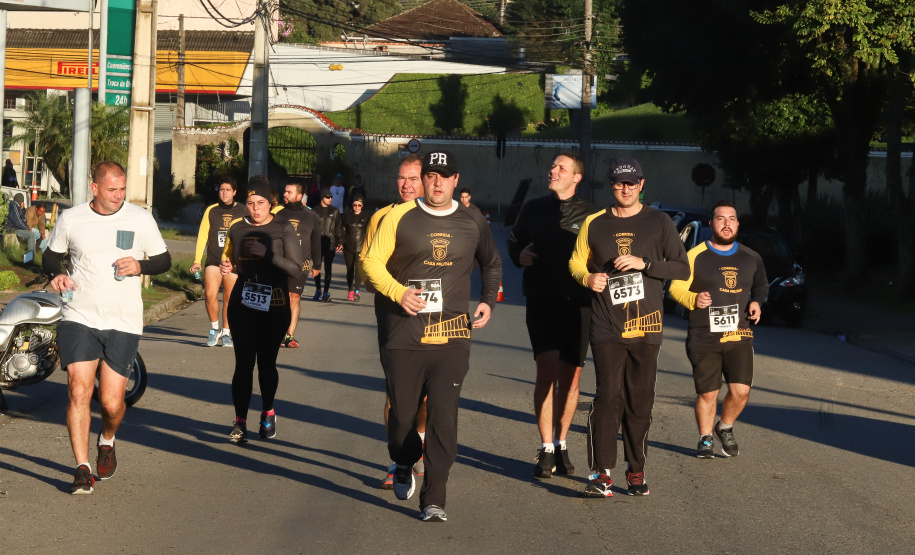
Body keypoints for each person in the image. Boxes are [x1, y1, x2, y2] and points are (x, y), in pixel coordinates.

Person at [362, 150, 502, 522]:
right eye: (431, 175)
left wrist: (487, 300)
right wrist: (399, 292)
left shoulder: (472, 219)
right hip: (405, 333)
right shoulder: (399, 217)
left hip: (453, 334)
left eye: (445, 176)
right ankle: (404, 459)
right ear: (422, 179)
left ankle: (434, 498)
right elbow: (371, 263)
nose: (437, 182)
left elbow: (491, 261)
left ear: (456, 180)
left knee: (443, 416)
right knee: (402, 420)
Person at [42, 160, 171, 494]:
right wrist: (56, 274)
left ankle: (108, 438)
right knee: (78, 390)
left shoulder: (140, 218)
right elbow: (51, 256)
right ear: (94, 188)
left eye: (123, 188)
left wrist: (140, 264)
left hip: (122, 320)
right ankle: (82, 468)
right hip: (79, 317)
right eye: (112, 189)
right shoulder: (72, 218)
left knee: (112, 404)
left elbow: (164, 260)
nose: (119, 195)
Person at [569, 157, 689, 497]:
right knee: (608, 396)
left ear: (642, 184)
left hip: (647, 325)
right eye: (620, 183)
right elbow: (576, 262)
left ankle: (635, 470)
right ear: (611, 185)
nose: (626, 189)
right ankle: (601, 471)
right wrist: (587, 277)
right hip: (607, 324)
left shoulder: (659, 222)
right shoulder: (595, 223)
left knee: (640, 401)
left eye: (632, 183)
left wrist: (646, 263)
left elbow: (681, 269)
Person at [507, 153, 597, 478]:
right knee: (547, 371)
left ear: (576, 177)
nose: (553, 171)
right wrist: (520, 254)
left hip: (579, 302)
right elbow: (515, 241)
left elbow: (604, 251)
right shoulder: (533, 208)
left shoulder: (591, 213)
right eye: (553, 166)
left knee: (572, 378)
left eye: (561, 168)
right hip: (542, 299)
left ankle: (561, 442)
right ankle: (546, 447)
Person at [669, 201, 768, 458]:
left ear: (737, 223)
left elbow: (761, 286)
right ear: (711, 224)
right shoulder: (694, 256)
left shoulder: (751, 257)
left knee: (741, 391)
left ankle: (724, 426)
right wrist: (693, 299)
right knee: (708, 392)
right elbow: (675, 288)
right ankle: (705, 439)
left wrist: (757, 301)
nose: (727, 223)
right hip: (704, 335)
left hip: (739, 335)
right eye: (721, 219)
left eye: (732, 218)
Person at [359, 154, 430, 490]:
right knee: (395, 390)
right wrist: (386, 287)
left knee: (427, 394)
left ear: (427, 180)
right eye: (401, 178)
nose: (406, 185)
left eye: (413, 179)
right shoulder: (381, 218)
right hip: (391, 312)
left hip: (432, 315)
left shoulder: (440, 217)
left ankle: (420, 443)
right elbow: (365, 264)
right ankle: (399, 458)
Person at [221, 177, 303, 443]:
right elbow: (231, 258)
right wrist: (228, 267)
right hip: (243, 303)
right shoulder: (236, 228)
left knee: (266, 364)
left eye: (261, 203)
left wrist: (268, 254)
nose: (255, 209)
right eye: (250, 203)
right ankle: (240, 422)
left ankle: (268, 411)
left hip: (275, 304)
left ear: (272, 203)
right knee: (243, 364)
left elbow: (295, 268)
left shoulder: (283, 227)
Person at [190, 176, 247, 347]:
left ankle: (227, 333)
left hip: (232, 262)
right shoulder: (211, 211)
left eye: (228, 190)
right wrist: (197, 260)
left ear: (234, 192)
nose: (224, 193)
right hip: (214, 259)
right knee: (210, 295)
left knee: (229, 298)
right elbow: (202, 236)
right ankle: (215, 329)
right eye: (222, 189)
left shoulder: (243, 211)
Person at [273, 182, 322, 347]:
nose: (285, 194)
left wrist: (317, 265)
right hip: (280, 263)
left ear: (299, 196)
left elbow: (316, 241)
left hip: (302, 264)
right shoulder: (278, 214)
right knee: (280, 298)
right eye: (285, 191)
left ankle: (289, 335)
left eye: (289, 192)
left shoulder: (311, 216)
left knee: (294, 297)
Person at [311, 187, 343, 302]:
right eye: (327, 197)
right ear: (322, 198)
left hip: (330, 243)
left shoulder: (334, 211)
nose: (330, 199)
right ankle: (318, 289)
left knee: (328, 268)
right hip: (317, 244)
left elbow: (338, 227)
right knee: (317, 267)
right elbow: (310, 229)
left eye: (331, 197)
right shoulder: (314, 211)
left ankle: (326, 291)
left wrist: (340, 242)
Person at [342, 194, 370, 301]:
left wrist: (368, 245)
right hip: (348, 246)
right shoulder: (347, 215)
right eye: (355, 205)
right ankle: (350, 290)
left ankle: (357, 291)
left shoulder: (366, 216)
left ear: (362, 205)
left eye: (359, 205)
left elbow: (369, 232)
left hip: (361, 247)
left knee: (358, 270)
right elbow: (343, 230)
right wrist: (340, 243)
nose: (357, 207)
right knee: (349, 270)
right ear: (352, 205)